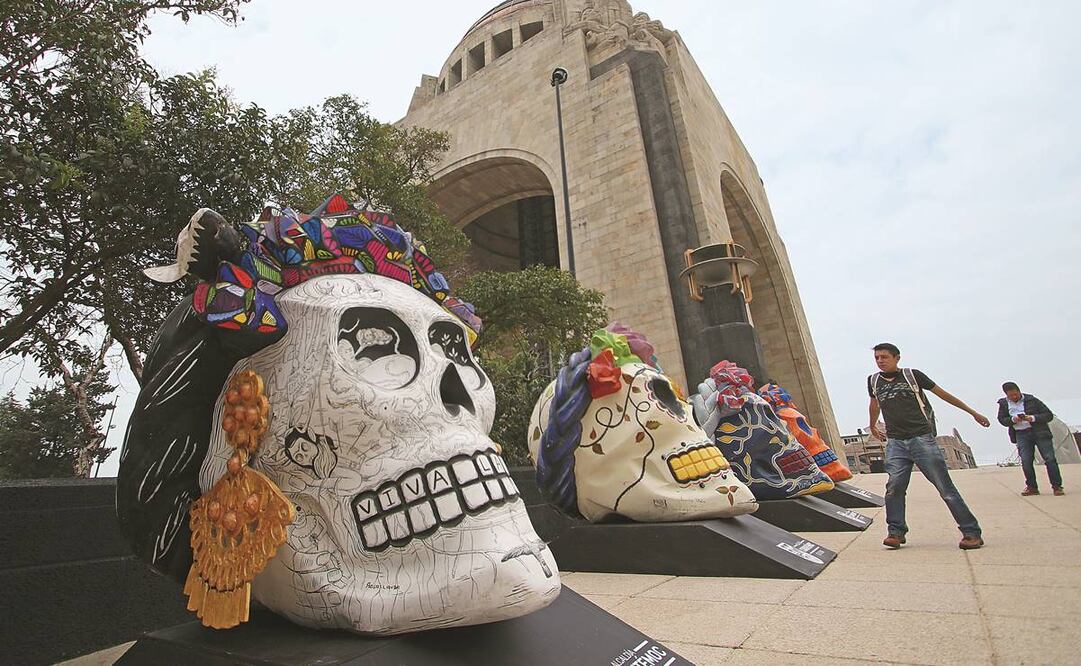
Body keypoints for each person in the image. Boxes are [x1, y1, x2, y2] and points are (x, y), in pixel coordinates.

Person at [867, 343, 990, 550]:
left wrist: (973, 413)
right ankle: (895, 532)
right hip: (895, 442)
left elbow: (944, 395)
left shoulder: (912, 375)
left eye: (884, 357)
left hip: (921, 439)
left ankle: (971, 532)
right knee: (894, 488)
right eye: (877, 358)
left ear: (897, 358)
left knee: (945, 488)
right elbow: (874, 404)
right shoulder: (873, 381)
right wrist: (872, 425)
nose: (880, 361)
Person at [996, 382, 1062, 496]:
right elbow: (1002, 420)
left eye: (1016, 394)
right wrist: (1013, 420)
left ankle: (1057, 486)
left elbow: (1048, 415)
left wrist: (1032, 418)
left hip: (1039, 432)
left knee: (1049, 458)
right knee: (1026, 461)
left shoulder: (1032, 400)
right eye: (1011, 395)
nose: (1014, 397)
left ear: (1019, 391)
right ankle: (1032, 487)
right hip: (1021, 434)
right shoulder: (1004, 404)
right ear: (1006, 395)